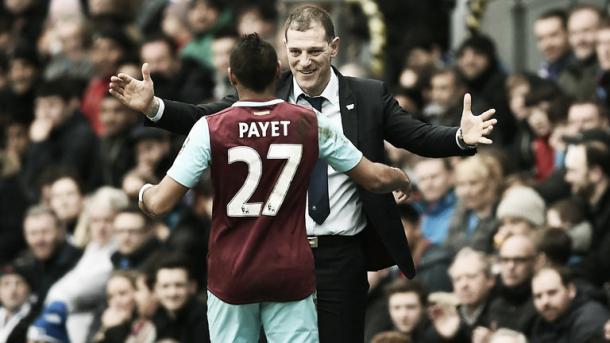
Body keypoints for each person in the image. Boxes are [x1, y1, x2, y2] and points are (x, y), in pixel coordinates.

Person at [110, 6, 496, 342]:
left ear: (335, 47)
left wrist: (460, 138)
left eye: (314, 50)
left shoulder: (366, 95)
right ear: (283, 55)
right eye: (295, 51)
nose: (304, 61)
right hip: (274, 255)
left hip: (339, 255)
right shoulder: (267, 91)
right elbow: (206, 117)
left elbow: (417, 135)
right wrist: (154, 106)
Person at [138, 33, 412, 343]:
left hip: (233, 273)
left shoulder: (210, 128)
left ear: (231, 76)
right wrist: (401, 177)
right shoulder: (310, 122)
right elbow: (374, 177)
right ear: (278, 70)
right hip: (289, 271)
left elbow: (160, 203)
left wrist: (143, 194)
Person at [530, 267, 609, 342]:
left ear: (571, 291)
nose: (545, 302)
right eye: (538, 296)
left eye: (552, 293)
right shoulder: (542, 324)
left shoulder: (590, 319)